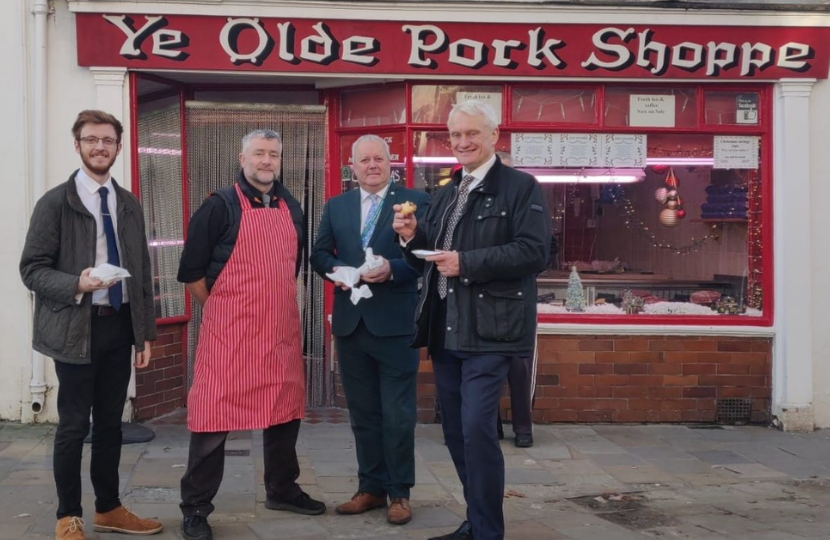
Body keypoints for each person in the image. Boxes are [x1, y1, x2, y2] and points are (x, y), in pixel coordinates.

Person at [393, 101, 551, 540]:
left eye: (472, 134)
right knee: (456, 432)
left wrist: (467, 262)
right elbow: (435, 248)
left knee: (478, 428)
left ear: (494, 137)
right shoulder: (448, 190)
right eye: (455, 135)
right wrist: (411, 238)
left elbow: (534, 252)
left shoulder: (521, 188)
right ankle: (477, 520)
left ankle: (487, 531)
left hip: (491, 329)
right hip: (446, 328)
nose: (462, 143)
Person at [20, 110, 162, 540]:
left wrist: (145, 334)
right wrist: (75, 283)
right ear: (77, 145)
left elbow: (141, 270)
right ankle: (68, 514)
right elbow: (32, 269)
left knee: (110, 426)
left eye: (107, 140)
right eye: (91, 139)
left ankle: (109, 508)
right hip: (76, 329)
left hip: (118, 327)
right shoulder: (55, 203)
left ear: (119, 147)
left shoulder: (129, 203)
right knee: (74, 425)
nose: (100, 147)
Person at [176, 129, 324, 540]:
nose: (266, 161)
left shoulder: (291, 206)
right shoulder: (219, 205)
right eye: (259, 153)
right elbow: (191, 273)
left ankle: (282, 488)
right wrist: (223, 308)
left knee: (284, 412)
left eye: (274, 154)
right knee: (212, 419)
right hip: (230, 334)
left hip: (278, 329)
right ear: (242, 159)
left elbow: (291, 267)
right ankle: (196, 508)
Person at [310, 135, 430, 525]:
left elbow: (424, 259)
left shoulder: (415, 202)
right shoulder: (337, 205)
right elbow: (319, 253)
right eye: (365, 160)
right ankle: (371, 488)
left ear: (391, 162)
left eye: (379, 158)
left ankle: (399, 493)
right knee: (363, 413)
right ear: (353, 166)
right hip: (351, 323)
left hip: (395, 325)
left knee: (397, 414)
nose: (372, 165)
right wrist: (337, 272)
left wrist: (393, 269)